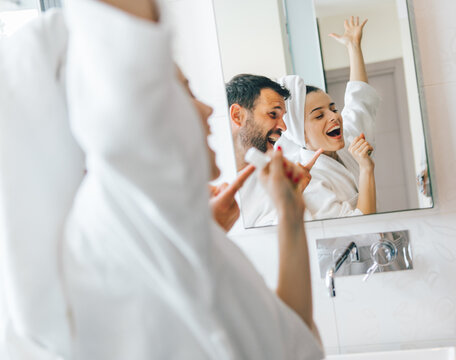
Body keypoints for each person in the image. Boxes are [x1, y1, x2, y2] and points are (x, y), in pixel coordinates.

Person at [59, 1, 323, 360]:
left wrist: (291, 216)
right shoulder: (118, 221)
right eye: (185, 92)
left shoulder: (201, 245)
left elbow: (292, 345)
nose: (208, 108)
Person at [277, 16, 381, 220]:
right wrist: (366, 169)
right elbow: (358, 226)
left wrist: (353, 47)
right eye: (319, 115)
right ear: (300, 133)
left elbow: (359, 100)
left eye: (333, 108)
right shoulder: (308, 180)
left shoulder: (348, 141)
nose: (334, 116)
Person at [226, 74, 322, 227]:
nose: (283, 127)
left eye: (283, 117)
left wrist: (292, 195)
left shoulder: (275, 181)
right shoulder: (201, 176)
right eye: (273, 114)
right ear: (238, 115)